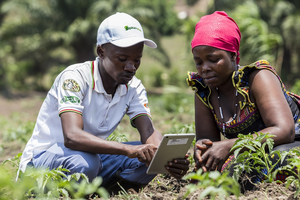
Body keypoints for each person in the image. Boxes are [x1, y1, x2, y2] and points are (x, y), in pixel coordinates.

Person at [18, 12, 190, 192]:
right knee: (87, 163)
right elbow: (72, 136)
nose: (131, 67)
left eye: (137, 60)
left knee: (145, 159)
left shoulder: (133, 87)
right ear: (101, 51)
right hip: (41, 162)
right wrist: (126, 149)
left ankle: (105, 194)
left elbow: (148, 130)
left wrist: (165, 158)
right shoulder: (75, 78)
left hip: (89, 160)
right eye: (122, 59)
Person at [187, 11, 300, 189]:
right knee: (222, 173)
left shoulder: (258, 78)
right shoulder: (204, 91)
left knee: (278, 160)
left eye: (213, 59)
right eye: (199, 62)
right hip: (251, 152)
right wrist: (203, 151)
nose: (205, 68)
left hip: (290, 144)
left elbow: (285, 131)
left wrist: (229, 146)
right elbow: (207, 138)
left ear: (233, 56)